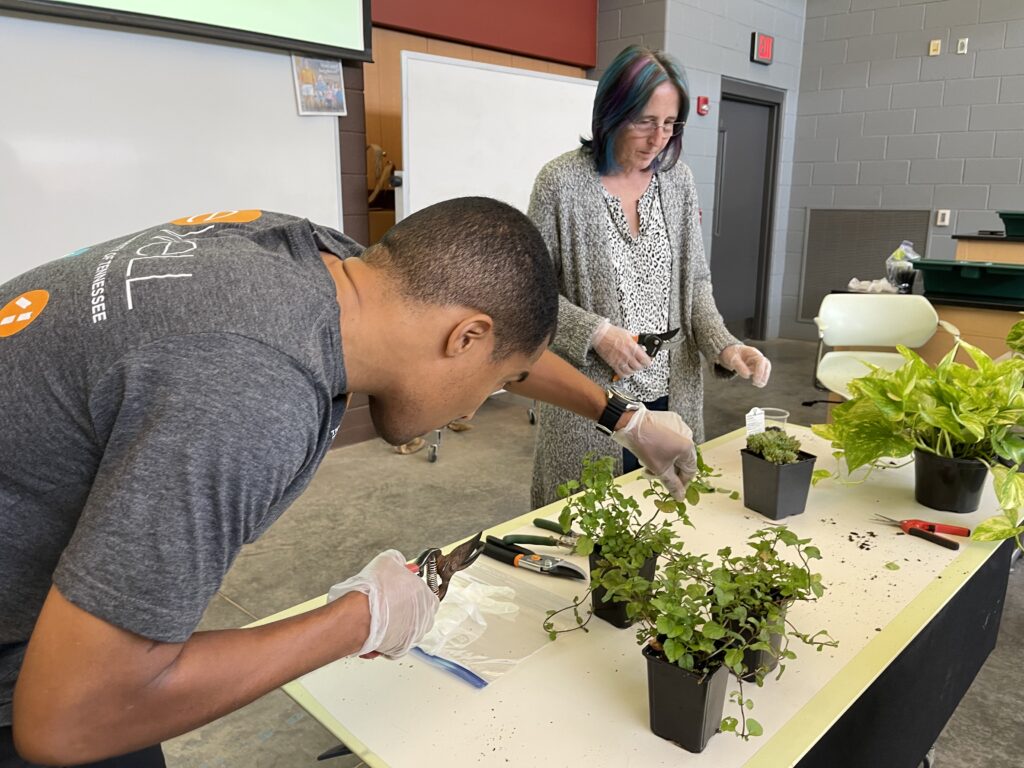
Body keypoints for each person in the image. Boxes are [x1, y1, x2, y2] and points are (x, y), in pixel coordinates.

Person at [0, 198, 697, 766]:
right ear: (464, 339)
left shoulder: (320, 259)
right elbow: (67, 721)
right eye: (493, 387)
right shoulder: (252, 396)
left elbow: (503, 341)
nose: (472, 409)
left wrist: (624, 416)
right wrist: (361, 619)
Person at [527, 45, 773, 508]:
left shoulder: (677, 181)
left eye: (671, 123)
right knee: (589, 533)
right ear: (611, 112)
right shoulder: (560, 183)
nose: (659, 137)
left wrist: (725, 345)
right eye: (645, 121)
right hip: (592, 406)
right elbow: (528, 295)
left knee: (667, 530)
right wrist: (596, 333)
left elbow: (696, 282)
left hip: (670, 397)